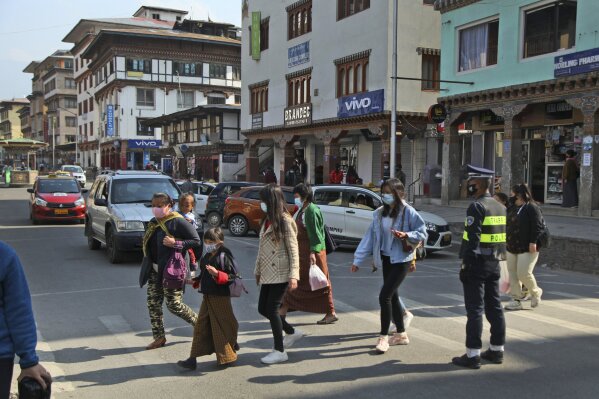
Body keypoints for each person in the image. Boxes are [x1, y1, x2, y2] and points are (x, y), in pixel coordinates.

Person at [351, 178, 427, 354]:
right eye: (383, 192)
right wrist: (357, 259)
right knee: (392, 296)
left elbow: (422, 232)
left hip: (402, 259)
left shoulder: (408, 211)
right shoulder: (379, 213)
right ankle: (401, 334)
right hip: (386, 258)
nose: (385, 195)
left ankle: (383, 337)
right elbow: (369, 237)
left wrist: (406, 234)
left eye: (389, 192)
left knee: (384, 296)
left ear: (399, 194)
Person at [452, 165, 506, 369]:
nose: (468, 187)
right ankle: (496, 350)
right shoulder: (500, 206)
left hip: (476, 263)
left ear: (480, 184)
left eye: (471, 184)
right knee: (494, 307)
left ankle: (472, 354)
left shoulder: (477, 206)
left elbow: (472, 238)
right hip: (494, 263)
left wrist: (465, 263)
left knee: (474, 309)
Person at [142, 193, 201, 350]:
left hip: (172, 271)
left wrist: (176, 243)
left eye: (160, 205)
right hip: (154, 270)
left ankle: (200, 325)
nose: (156, 208)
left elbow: (196, 241)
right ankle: (159, 337)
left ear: (169, 206)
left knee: (174, 304)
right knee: (153, 303)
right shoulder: (153, 223)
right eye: (153, 205)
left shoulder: (178, 222)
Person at [178, 228, 239, 370]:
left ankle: (228, 354)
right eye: (206, 241)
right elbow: (204, 275)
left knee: (223, 326)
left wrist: (218, 273)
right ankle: (192, 359)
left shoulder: (224, 255)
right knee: (200, 326)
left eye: (211, 241)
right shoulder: (207, 256)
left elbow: (232, 276)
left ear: (220, 242)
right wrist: (194, 280)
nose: (208, 244)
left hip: (220, 297)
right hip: (207, 296)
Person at [254, 184, 300, 364]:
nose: (261, 203)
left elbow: (293, 249)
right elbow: (261, 250)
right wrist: (257, 270)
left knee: (272, 310)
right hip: (267, 271)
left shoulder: (285, 220)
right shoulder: (267, 220)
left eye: (263, 200)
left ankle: (279, 350)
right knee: (262, 308)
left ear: (271, 201)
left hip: (281, 271)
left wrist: (294, 275)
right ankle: (291, 332)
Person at [280, 184, 338, 326]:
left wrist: (313, 252)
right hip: (302, 255)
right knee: (297, 284)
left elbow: (317, 235)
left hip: (312, 254)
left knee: (320, 285)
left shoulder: (311, 211)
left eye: (296, 196)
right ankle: (282, 311)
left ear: (304, 196)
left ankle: (330, 312)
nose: (295, 199)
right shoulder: (302, 209)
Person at [0, 241, 51, 397]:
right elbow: (18, 310)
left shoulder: (4, 256)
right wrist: (29, 360)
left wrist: (29, 360)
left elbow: (18, 310)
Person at [504, 184, 544, 311]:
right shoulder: (512, 206)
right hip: (511, 245)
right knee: (512, 274)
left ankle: (535, 292)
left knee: (523, 273)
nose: (510, 194)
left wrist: (533, 242)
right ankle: (516, 299)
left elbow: (537, 226)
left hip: (527, 246)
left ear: (519, 194)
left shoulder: (531, 207)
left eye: (512, 192)